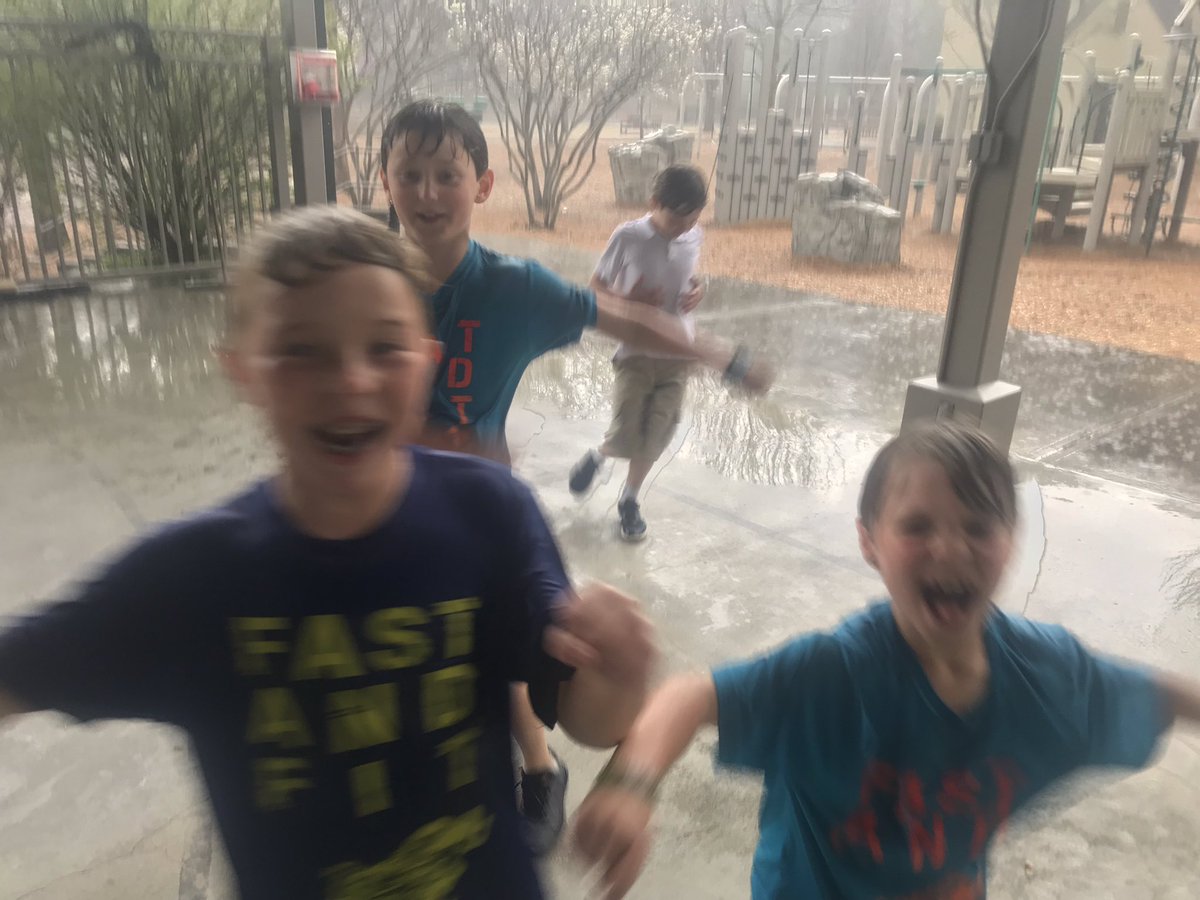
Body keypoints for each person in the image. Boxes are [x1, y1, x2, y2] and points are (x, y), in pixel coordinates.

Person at [0, 207, 657, 900]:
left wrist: (617, 676)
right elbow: (22, 668)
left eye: (384, 347)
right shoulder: (193, 579)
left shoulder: (492, 515)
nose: (350, 380)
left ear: (426, 362)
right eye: (302, 350)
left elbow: (587, 716)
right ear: (243, 372)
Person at [571, 420, 1200, 899]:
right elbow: (692, 696)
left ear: (1011, 541)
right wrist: (631, 786)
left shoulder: (1048, 676)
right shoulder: (833, 677)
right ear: (869, 541)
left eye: (979, 527)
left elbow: (1161, 696)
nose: (949, 549)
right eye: (918, 527)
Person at [378, 99, 772, 853]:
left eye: (447, 175)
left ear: (483, 185)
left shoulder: (513, 289)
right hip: (383, 517)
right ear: (385, 181)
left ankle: (538, 763)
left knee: (513, 644)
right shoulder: (362, 279)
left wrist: (720, 355)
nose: (427, 193)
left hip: (478, 518)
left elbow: (620, 317)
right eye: (410, 174)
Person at [567, 163, 708, 542]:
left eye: (693, 220)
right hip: (635, 352)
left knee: (657, 431)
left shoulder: (693, 236)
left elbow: (690, 274)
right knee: (628, 425)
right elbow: (595, 289)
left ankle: (629, 500)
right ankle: (599, 456)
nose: (684, 229)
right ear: (654, 203)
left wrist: (699, 289)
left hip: (678, 354)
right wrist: (630, 299)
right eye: (676, 219)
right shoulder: (629, 237)